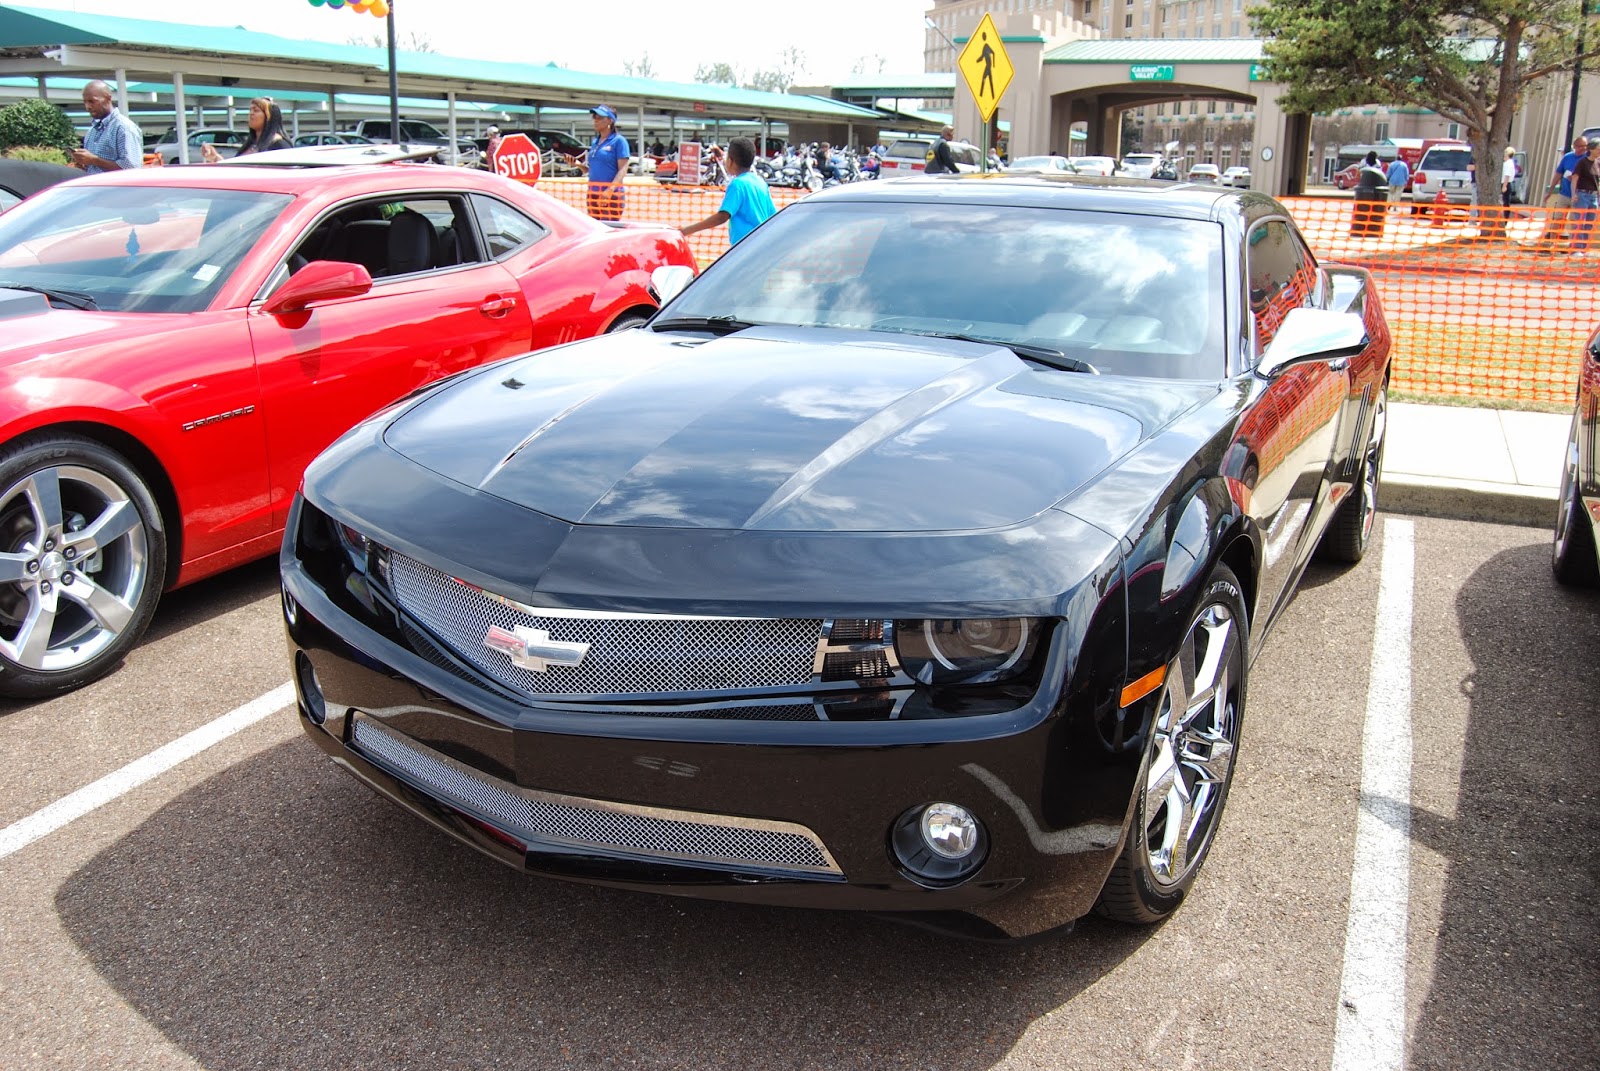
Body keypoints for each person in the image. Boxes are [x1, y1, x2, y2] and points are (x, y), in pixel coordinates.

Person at [678, 136, 776, 247]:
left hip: (744, 246)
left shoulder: (737, 185)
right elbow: (773, 215)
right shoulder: (761, 183)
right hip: (761, 244)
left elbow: (722, 216)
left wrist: (686, 230)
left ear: (730, 161)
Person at [72, 80, 143, 174]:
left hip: (116, 184)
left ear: (108, 98)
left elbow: (132, 168)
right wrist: (84, 164)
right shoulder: (92, 131)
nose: (88, 107)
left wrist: (94, 160)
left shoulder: (124, 127)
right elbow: (94, 167)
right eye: (85, 102)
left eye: (92, 101)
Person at [573, 104, 629, 221]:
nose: (595, 120)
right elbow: (592, 170)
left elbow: (623, 169)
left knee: (608, 228)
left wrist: (610, 190)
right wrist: (578, 164)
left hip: (611, 195)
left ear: (610, 121)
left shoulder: (619, 141)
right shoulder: (595, 142)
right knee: (595, 228)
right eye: (594, 117)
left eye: (600, 117)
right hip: (593, 194)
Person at [202, 97, 289, 162]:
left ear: (269, 116)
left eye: (256, 110)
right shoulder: (251, 144)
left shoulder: (280, 145)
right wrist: (215, 157)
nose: (251, 113)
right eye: (250, 110)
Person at [1540, 134, 1588, 247]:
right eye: (1580, 146)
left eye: (1585, 146)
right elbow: (1558, 174)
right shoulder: (1567, 157)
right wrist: (1550, 191)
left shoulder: (1587, 159)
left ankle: (1573, 246)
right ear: (1574, 146)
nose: (1583, 148)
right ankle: (1552, 243)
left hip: (1579, 195)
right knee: (1557, 219)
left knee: (1575, 221)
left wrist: (1576, 178)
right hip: (1564, 194)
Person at [1571, 140, 1600, 253]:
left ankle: (1584, 249)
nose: (1599, 151)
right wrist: (1574, 194)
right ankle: (1576, 249)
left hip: (1594, 196)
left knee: (1589, 223)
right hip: (1582, 195)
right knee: (1580, 222)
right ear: (1591, 149)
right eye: (1598, 149)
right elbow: (1575, 178)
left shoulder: (1598, 163)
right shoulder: (1582, 162)